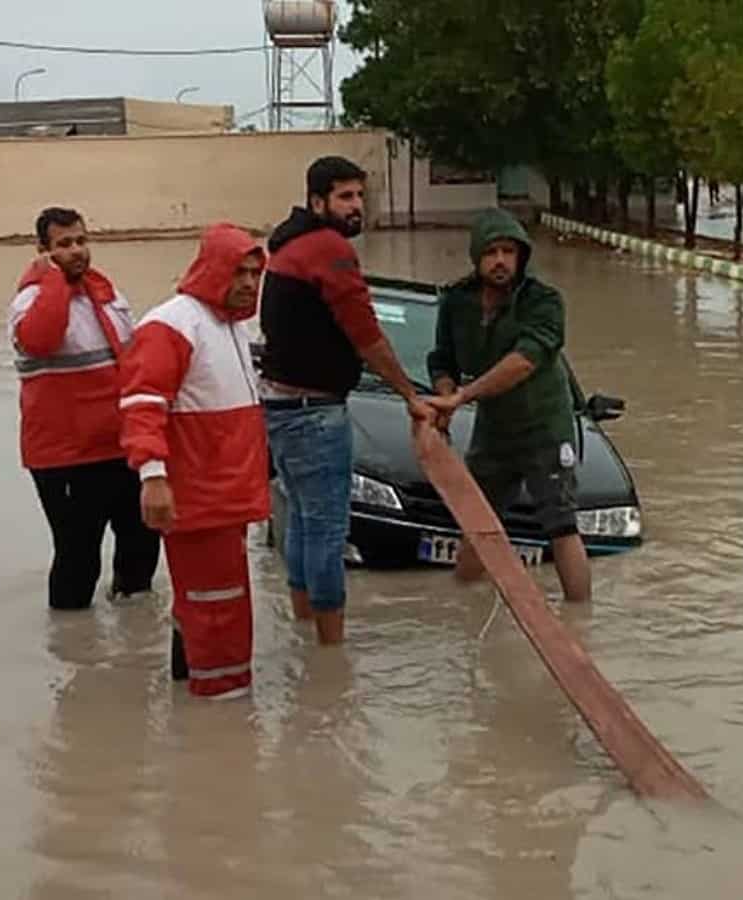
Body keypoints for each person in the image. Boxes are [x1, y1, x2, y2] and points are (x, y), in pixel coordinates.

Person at [259, 156, 434, 645]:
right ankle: (332, 652)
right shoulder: (327, 248)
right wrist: (409, 396)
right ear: (318, 202)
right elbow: (367, 335)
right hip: (314, 412)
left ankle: (303, 629)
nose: (357, 206)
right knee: (328, 529)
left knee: (300, 519)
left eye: (360, 196)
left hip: (280, 406)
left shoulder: (287, 245)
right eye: (345, 197)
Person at [118, 223, 269, 700]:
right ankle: (223, 714)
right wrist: (153, 477)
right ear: (212, 269)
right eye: (239, 271)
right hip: (200, 497)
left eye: (255, 273)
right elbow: (141, 406)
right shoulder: (172, 325)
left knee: (206, 603)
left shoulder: (229, 326)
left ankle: (196, 688)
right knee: (217, 608)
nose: (248, 282)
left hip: (227, 495)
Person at [426, 208, 591, 605]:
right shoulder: (456, 301)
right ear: (476, 256)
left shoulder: (544, 301)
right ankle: (466, 611)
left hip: (545, 428)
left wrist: (461, 397)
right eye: (491, 252)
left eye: (508, 252)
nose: (500, 260)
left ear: (521, 257)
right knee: (477, 525)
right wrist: (444, 394)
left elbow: (524, 361)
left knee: (561, 525)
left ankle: (581, 623)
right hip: (494, 430)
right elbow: (442, 358)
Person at [7, 207, 160, 611]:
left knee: (142, 542)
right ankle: (73, 649)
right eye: (64, 245)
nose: (77, 251)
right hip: (65, 457)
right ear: (43, 251)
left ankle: (136, 638)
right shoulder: (29, 302)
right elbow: (39, 339)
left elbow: (136, 362)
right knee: (78, 556)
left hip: (120, 447)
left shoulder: (107, 295)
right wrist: (53, 279)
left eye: (81, 241)